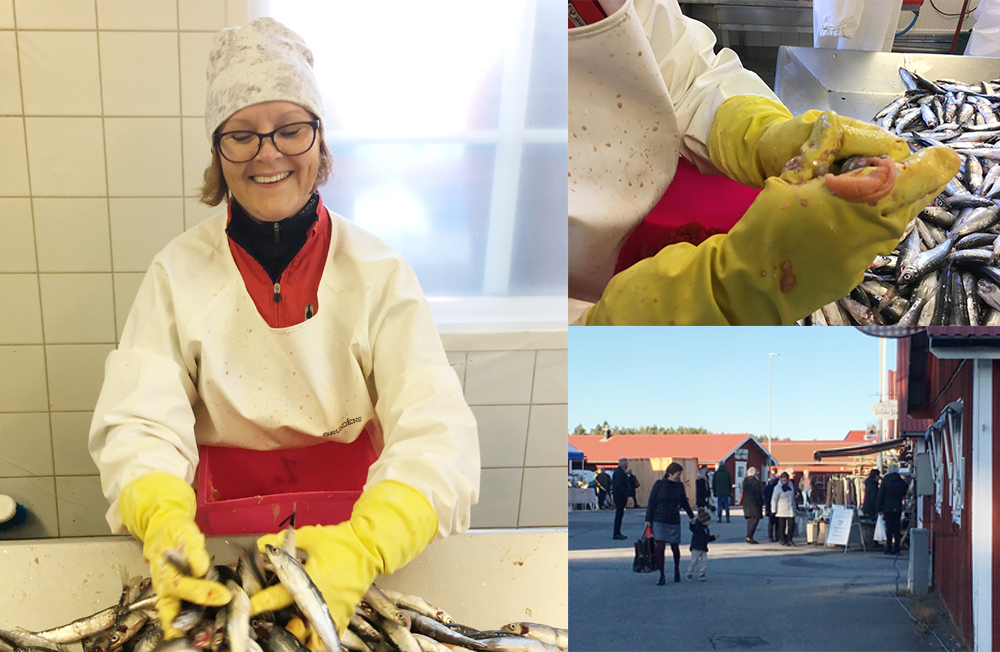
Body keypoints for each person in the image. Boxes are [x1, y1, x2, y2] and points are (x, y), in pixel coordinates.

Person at [88, 18, 480, 639]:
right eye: (242, 135)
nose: (268, 154)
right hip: (216, 540)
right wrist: (161, 516)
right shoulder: (176, 274)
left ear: (320, 142)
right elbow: (139, 417)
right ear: (218, 153)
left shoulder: (378, 273)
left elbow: (438, 433)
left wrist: (369, 544)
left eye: (290, 130)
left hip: (349, 539)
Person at [567, 0, 959, 326]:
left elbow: (677, 69)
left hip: (638, 200)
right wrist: (723, 297)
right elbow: (520, 364)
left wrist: (757, 131)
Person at [645, 462, 695, 584]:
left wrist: (691, 516)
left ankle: (676, 570)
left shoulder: (679, 486)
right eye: (678, 474)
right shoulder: (659, 484)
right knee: (660, 547)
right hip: (659, 519)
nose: (679, 476)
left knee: (675, 547)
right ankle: (662, 575)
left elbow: (684, 501)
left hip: (673, 519)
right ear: (670, 473)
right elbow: (651, 502)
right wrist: (648, 519)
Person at [876, 464, 910, 555]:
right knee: (896, 528)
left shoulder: (885, 481)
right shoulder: (901, 482)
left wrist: (879, 507)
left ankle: (889, 547)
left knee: (889, 528)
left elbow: (881, 495)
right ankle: (897, 548)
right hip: (897, 507)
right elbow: (904, 492)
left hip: (887, 507)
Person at [687, 508, 719, 581]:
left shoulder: (706, 529)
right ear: (703, 521)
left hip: (703, 547)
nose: (709, 522)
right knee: (694, 561)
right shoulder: (698, 527)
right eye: (708, 521)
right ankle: (689, 573)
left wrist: (714, 537)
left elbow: (707, 538)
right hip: (696, 547)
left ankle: (702, 573)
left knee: (705, 561)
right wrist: (691, 525)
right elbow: (693, 529)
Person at [771, 472, 796, 546]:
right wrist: (773, 510)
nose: (785, 482)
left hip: (790, 509)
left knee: (791, 525)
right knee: (782, 526)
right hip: (781, 509)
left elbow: (793, 498)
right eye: (783, 480)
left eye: (786, 480)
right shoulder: (777, 488)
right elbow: (774, 499)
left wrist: (795, 507)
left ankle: (790, 539)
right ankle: (782, 539)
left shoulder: (790, 486)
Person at [741, 467, 763, 544]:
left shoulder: (745, 481)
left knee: (749, 519)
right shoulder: (756, 482)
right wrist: (761, 502)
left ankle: (748, 536)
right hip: (754, 503)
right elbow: (758, 494)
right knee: (755, 519)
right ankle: (749, 536)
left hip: (746, 502)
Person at [612, 458, 631, 539]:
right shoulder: (619, 473)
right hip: (620, 497)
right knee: (619, 515)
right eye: (626, 464)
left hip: (620, 496)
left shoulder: (620, 472)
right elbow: (618, 486)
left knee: (620, 515)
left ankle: (618, 532)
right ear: (623, 464)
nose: (627, 465)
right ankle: (616, 533)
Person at [763, 466, 780, 542]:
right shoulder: (774, 482)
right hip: (772, 503)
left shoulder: (771, 481)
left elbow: (765, 492)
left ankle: (772, 536)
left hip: (771, 503)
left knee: (772, 521)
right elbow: (766, 492)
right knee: (774, 521)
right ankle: (775, 536)